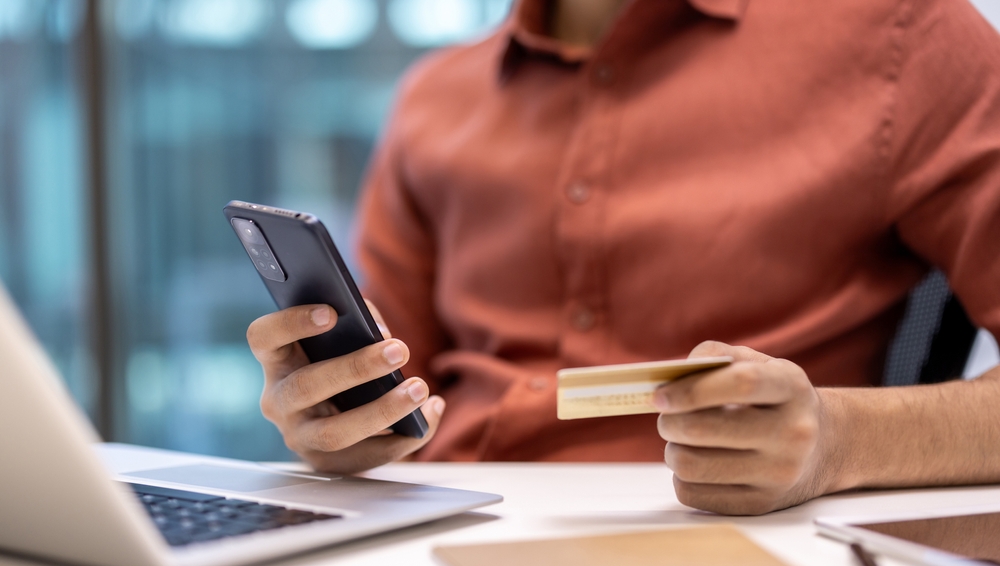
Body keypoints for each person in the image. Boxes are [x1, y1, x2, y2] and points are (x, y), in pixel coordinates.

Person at [247, 0, 1000, 515]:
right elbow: (387, 407)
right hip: (432, 544)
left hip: (724, 554)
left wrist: (837, 441)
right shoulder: (430, 100)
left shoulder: (904, 39)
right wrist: (336, 421)